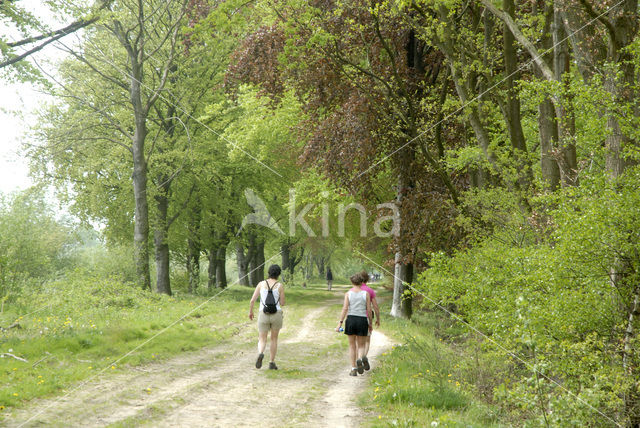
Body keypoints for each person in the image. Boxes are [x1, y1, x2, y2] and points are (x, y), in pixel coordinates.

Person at [249, 264, 285, 370]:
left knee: (262, 338)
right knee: (274, 339)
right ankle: (271, 362)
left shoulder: (261, 284)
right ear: (278, 274)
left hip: (263, 314)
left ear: (268, 272)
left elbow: (252, 300)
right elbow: (282, 303)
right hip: (276, 314)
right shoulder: (280, 286)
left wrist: (251, 312)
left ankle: (260, 353)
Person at [335, 273, 372, 376]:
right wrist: (370, 323)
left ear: (352, 282)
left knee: (352, 346)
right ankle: (360, 359)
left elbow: (345, 308)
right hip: (362, 320)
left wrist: (340, 323)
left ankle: (354, 368)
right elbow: (369, 309)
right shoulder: (366, 294)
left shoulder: (348, 294)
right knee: (361, 345)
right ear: (361, 282)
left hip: (351, 319)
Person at [359, 270, 380, 371]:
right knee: (367, 340)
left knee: (357, 341)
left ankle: (358, 358)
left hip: (355, 317)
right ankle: (364, 356)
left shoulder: (355, 289)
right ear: (367, 279)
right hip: (366, 317)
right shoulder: (370, 291)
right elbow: (375, 306)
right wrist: (378, 319)